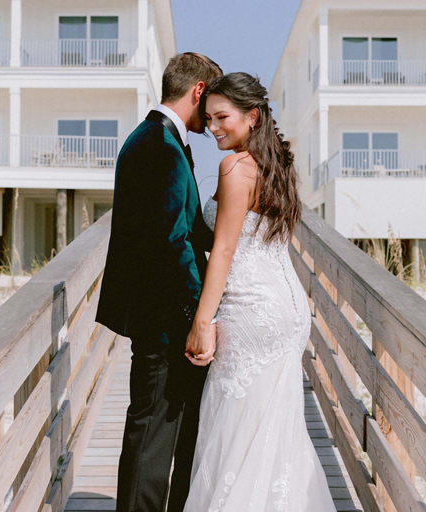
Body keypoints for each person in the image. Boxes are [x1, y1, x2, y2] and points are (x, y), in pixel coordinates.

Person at [182, 72, 336, 511]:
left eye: (222, 117)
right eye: (208, 118)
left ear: (252, 116)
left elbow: (225, 249)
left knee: (236, 425)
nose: (213, 127)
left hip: (251, 311)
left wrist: (201, 323)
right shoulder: (276, 166)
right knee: (274, 427)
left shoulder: (234, 167)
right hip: (286, 310)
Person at [95, 52, 222, 512]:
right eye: (211, 106)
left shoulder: (150, 138)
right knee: (151, 436)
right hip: (164, 319)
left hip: (158, 313)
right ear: (198, 92)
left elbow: (178, 225)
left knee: (164, 429)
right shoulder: (160, 147)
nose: (211, 120)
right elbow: (173, 244)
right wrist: (198, 316)